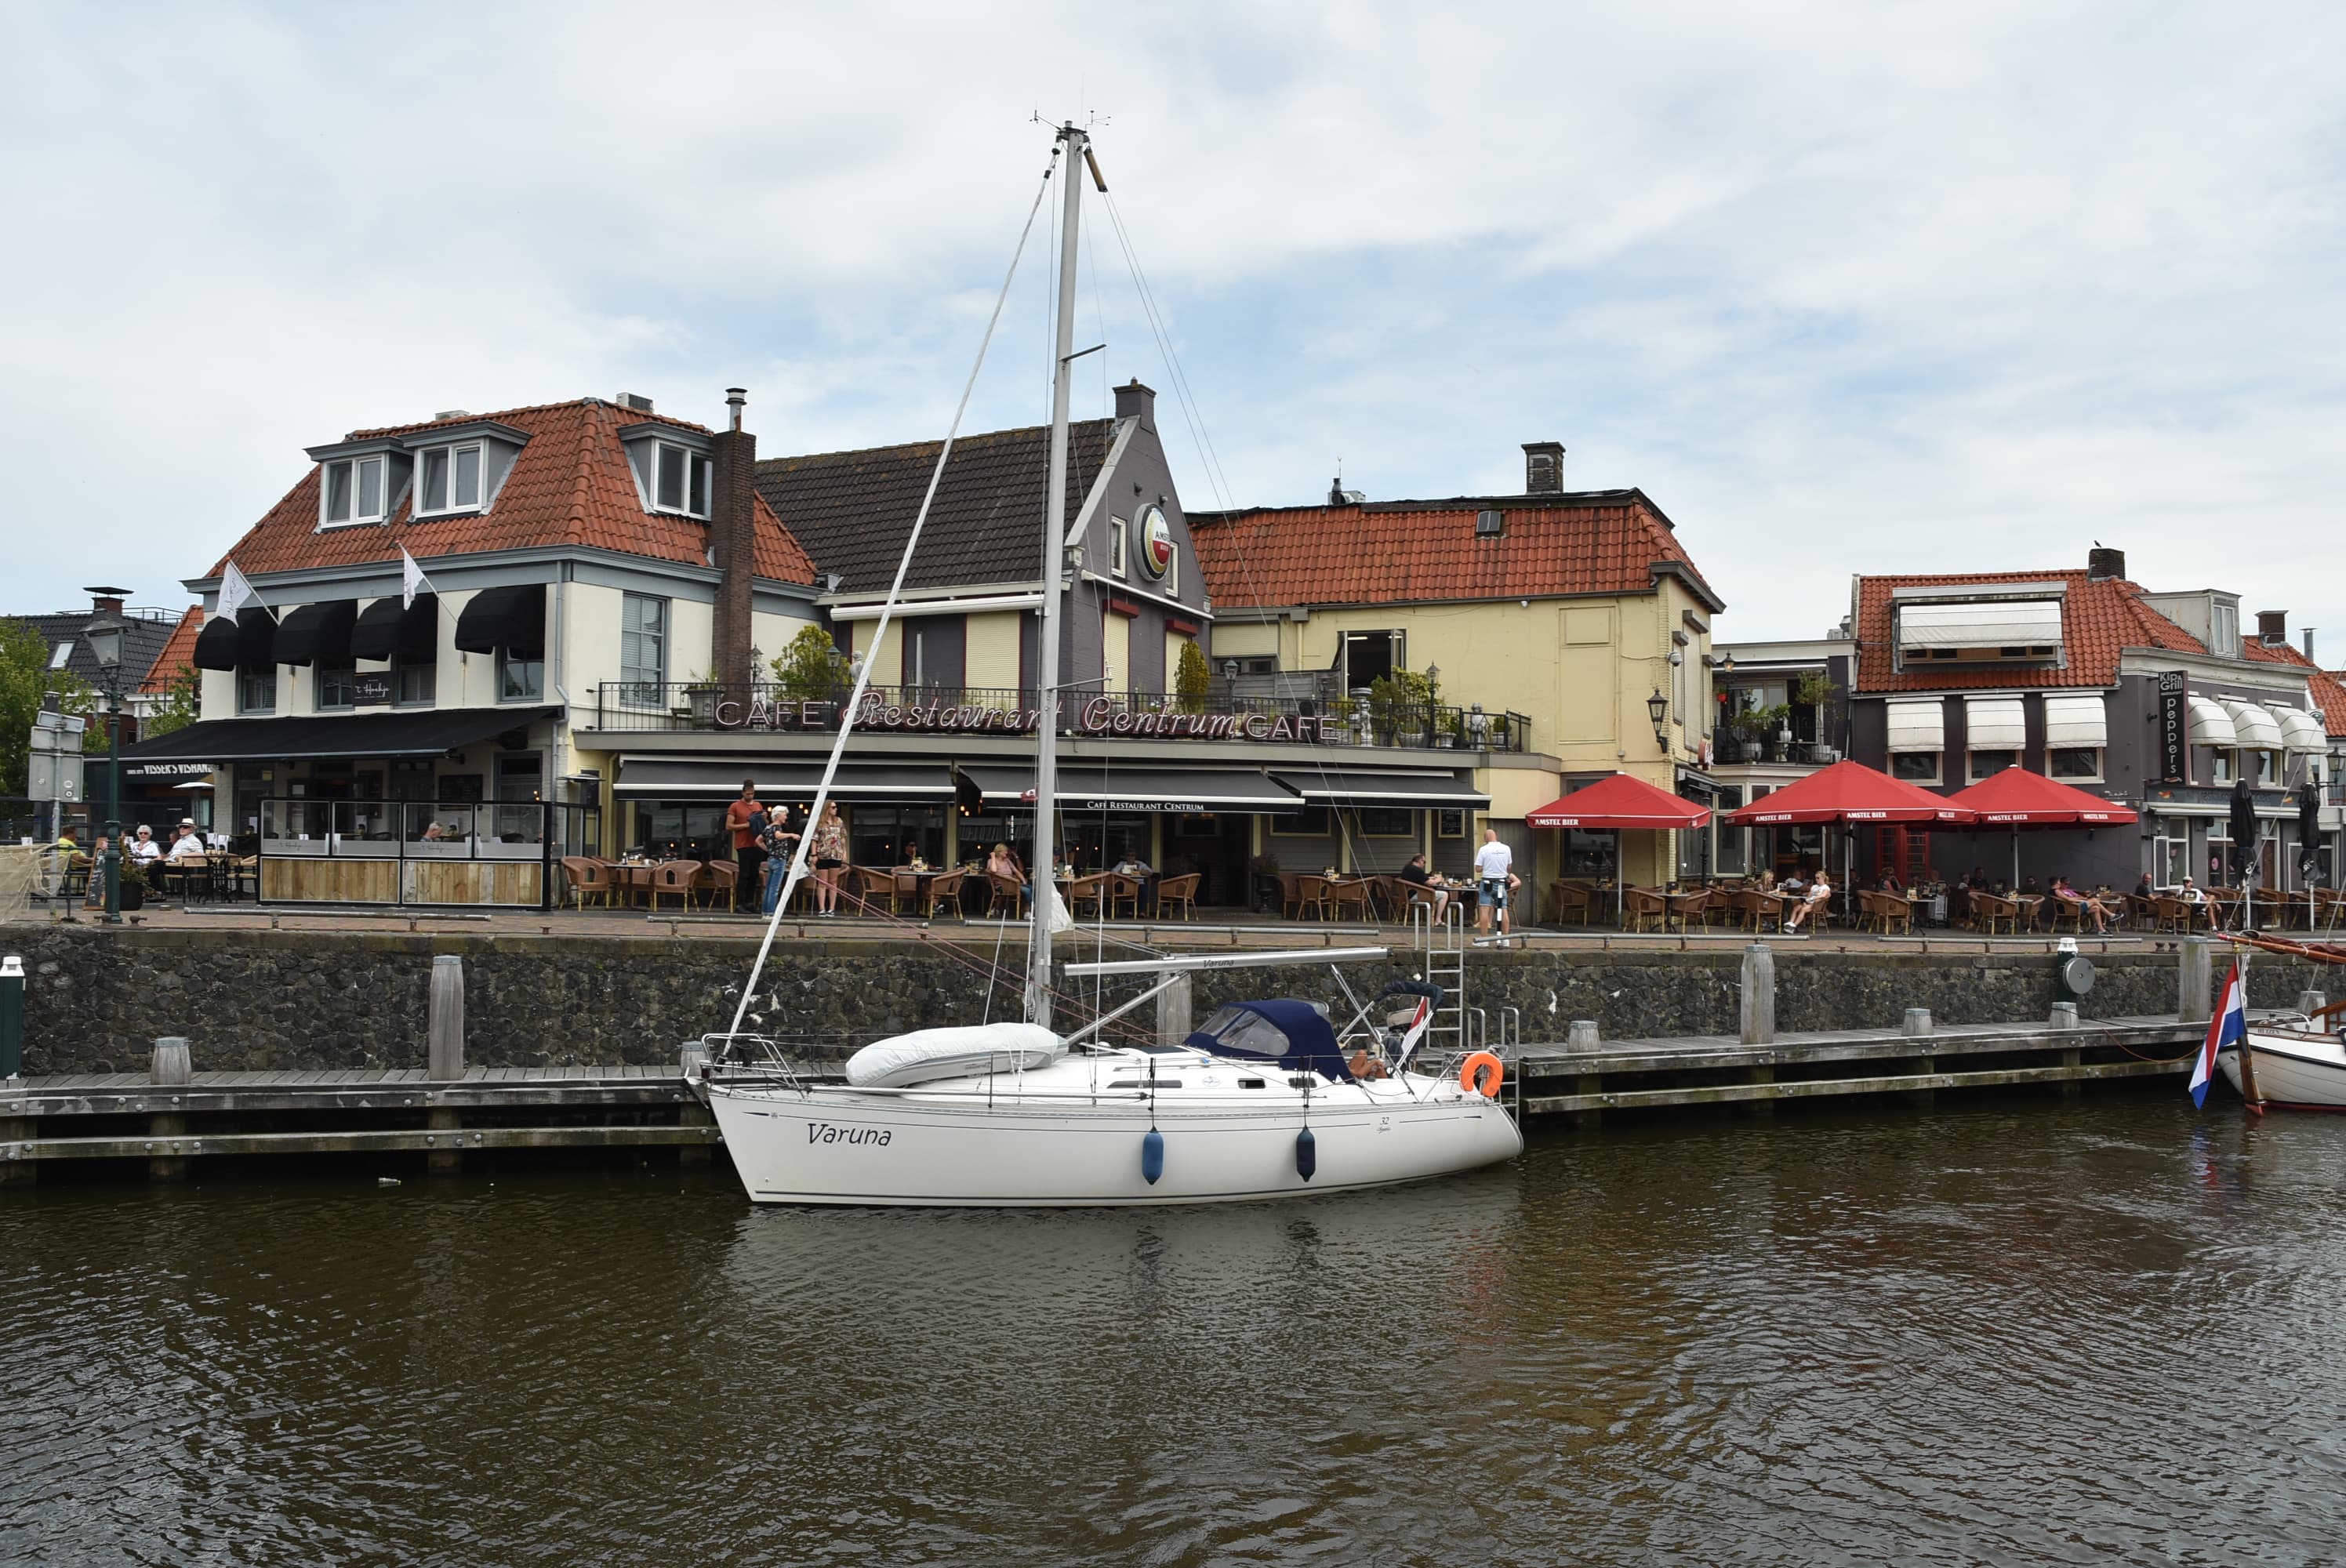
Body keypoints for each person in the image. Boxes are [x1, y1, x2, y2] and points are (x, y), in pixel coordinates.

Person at [725, 780, 764, 913]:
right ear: (743, 793)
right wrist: (747, 825)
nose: (751, 796)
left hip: (756, 843)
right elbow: (729, 826)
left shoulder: (758, 805)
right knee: (744, 874)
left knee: (754, 874)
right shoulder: (735, 806)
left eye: (752, 794)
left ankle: (750, 902)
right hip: (743, 844)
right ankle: (740, 903)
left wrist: (763, 819)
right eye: (748, 794)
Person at [759, 805, 801, 916]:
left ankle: (765, 911)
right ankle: (772, 912)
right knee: (775, 888)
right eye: (784, 814)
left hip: (771, 859)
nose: (786, 817)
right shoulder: (777, 827)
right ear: (778, 815)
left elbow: (758, 840)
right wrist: (791, 835)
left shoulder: (768, 828)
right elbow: (778, 836)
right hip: (779, 859)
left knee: (769, 887)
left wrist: (769, 850)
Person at [808, 801, 848, 916]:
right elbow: (814, 839)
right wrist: (814, 855)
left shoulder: (839, 821)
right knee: (822, 882)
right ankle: (821, 908)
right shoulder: (820, 823)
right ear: (827, 808)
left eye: (836, 807)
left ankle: (831, 908)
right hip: (823, 854)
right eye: (833, 807)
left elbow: (843, 837)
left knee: (833, 882)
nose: (836, 809)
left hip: (836, 854)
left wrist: (844, 851)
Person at [1473, 827, 1514, 936]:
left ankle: (1484, 940)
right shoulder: (1506, 848)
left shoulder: (1484, 849)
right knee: (1503, 909)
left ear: (1486, 838)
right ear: (1496, 836)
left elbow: (1477, 868)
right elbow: (1509, 867)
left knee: (1484, 910)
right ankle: (1505, 939)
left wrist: (1487, 866)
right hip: (1501, 882)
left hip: (1487, 883)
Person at [1398, 852, 1451, 922]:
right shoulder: (1417, 870)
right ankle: (1438, 920)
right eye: (1424, 862)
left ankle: (1431, 919)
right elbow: (1430, 883)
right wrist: (1439, 879)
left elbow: (1421, 879)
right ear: (1420, 861)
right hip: (1415, 895)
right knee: (1444, 895)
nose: (1424, 864)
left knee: (1436, 895)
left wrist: (1430, 878)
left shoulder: (1407, 868)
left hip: (1407, 895)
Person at [1784, 868, 1832, 932]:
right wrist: (1807, 901)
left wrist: (1814, 898)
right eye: (1816, 878)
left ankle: (1793, 926)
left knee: (1803, 909)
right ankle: (1791, 923)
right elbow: (1809, 896)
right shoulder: (1814, 887)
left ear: (1823, 878)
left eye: (1818, 878)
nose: (1816, 880)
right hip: (1810, 903)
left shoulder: (1825, 887)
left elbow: (1823, 895)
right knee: (1796, 907)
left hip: (1816, 905)